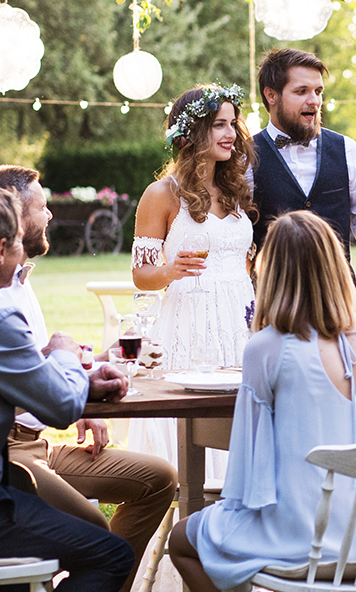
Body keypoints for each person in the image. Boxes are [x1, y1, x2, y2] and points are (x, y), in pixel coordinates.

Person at [167, 211, 356, 592]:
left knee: (183, 540)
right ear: (337, 266)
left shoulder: (268, 348)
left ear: (272, 274)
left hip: (304, 543)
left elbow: (248, 473)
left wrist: (235, 520)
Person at [0, 165, 177, 592]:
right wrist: (67, 360)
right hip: (7, 455)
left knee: (159, 478)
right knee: (103, 544)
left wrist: (83, 371)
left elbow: (29, 371)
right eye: (42, 207)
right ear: (7, 236)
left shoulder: (13, 284)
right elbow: (54, 400)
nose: (49, 215)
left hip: (38, 441)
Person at [130, 84, 258, 477]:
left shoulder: (237, 191)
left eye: (233, 124)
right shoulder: (161, 194)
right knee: (189, 421)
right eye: (219, 124)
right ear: (192, 131)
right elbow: (141, 275)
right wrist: (169, 271)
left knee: (242, 421)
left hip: (240, 322)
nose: (230, 133)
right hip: (189, 322)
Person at [249, 48, 356, 263]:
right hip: (274, 285)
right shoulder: (245, 156)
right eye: (301, 91)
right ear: (271, 95)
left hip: (338, 284)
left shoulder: (347, 150)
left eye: (318, 91)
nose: (314, 100)